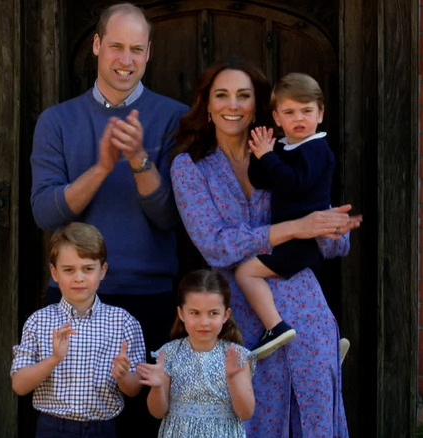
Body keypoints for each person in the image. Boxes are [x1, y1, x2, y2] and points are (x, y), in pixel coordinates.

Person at [170, 57, 361, 437]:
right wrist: (295, 228)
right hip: (241, 319)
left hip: (305, 309)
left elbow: (331, 244)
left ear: (257, 107)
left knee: (314, 417)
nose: (233, 105)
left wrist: (333, 228)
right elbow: (215, 247)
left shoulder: (287, 153)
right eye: (221, 95)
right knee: (252, 422)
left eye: (243, 95)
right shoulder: (190, 167)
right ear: (207, 105)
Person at [29, 3, 188, 435]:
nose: (126, 59)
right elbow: (45, 213)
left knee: (143, 426)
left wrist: (138, 159)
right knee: (72, 422)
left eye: (137, 49)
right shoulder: (57, 121)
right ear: (97, 46)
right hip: (73, 301)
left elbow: (172, 217)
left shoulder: (175, 118)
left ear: (149, 53)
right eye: (116, 46)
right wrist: (101, 167)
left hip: (150, 298)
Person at [11, 222, 146, 438]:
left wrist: (122, 376)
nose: (79, 277)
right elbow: (19, 385)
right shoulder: (39, 321)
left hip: (103, 427)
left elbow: (134, 389)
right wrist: (54, 359)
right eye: (69, 269)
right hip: (52, 427)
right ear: (54, 273)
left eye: (88, 268)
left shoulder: (123, 322)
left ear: (102, 271)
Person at [234, 73, 335, 359]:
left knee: (245, 272)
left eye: (306, 111)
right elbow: (261, 180)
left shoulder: (317, 149)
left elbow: (294, 183)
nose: (299, 118)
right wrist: (260, 153)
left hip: (302, 241)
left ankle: (275, 327)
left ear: (320, 114)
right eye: (290, 112)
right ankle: (320, 344)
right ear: (277, 118)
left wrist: (269, 156)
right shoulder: (285, 148)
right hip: (288, 236)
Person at [137, 270, 255, 438]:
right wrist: (157, 388)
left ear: (225, 315)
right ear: (181, 313)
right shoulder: (168, 353)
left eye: (213, 313)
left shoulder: (236, 356)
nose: (204, 322)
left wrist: (233, 380)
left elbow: (246, 413)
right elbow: (157, 412)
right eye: (195, 313)